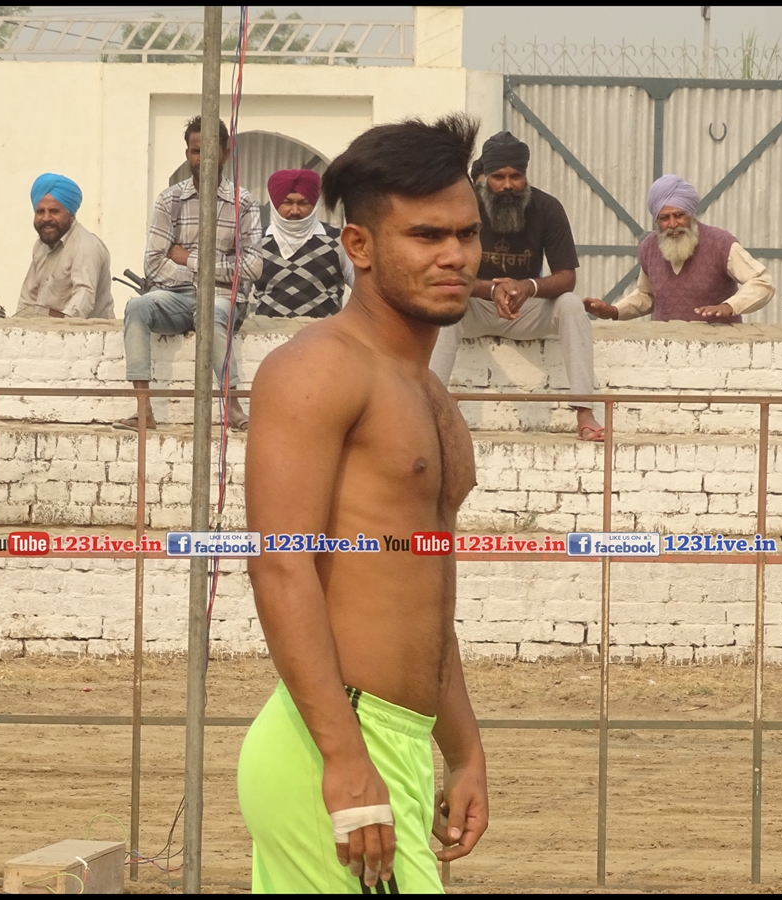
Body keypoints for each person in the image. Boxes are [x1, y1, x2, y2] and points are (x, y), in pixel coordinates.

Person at [238, 114, 489, 894]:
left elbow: (424, 593)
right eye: (426, 235)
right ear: (360, 245)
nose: (454, 256)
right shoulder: (317, 370)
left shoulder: (429, 392)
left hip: (399, 742)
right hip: (334, 744)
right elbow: (280, 569)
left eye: (466, 234)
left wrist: (464, 750)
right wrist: (346, 760)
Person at [430, 131, 604, 441]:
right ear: (486, 178)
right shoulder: (465, 208)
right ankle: (429, 411)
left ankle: (585, 413)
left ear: (525, 176)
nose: (508, 185)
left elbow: (567, 276)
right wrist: (491, 290)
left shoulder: (548, 208)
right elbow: (448, 270)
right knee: (444, 303)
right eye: (498, 176)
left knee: (570, 304)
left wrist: (529, 287)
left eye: (516, 176)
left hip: (525, 310)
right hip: (477, 306)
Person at [117, 116, 262, 432]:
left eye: (209, 151)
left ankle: (233, 406)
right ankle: (143, 409)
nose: (202, 159)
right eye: (196, 152)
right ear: (187, 154)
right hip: (175, 297)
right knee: (137, 307)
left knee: (211, 312)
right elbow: (153, 264)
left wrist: (191, 260)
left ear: (225, 152)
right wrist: (214, 271)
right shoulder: (170, 200)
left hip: (222, 300)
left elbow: (253, 267)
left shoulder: (243, 203)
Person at [582, 174, 775, 323]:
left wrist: (729, 306)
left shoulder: (720, 243)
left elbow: (762, 282)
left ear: (691, 214)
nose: (673, 224)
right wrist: (614, 311)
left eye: (679, 215)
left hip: (718, 351)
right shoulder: (650, 247)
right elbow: (647, 295)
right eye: (664, 218)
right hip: (667, 351)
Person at [253, 169, 352, 318]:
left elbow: (364, 290)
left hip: (323, 332)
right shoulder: (255, 242)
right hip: (265, 331)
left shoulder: (339, 241)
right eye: (287, 202)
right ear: (274, 203)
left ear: (314, 203)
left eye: (303, 203)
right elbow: (237, 293)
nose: (295, 211)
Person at [14, 173, 113, 319]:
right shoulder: (41, 246)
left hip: (82, 331)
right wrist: (17, 324)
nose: (46, 218)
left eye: (54, 211)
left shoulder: (85, 246)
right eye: (40, 211)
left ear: (70, 214)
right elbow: (28, 300)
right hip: (45, 331)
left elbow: (83, 299)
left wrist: (61, 327)